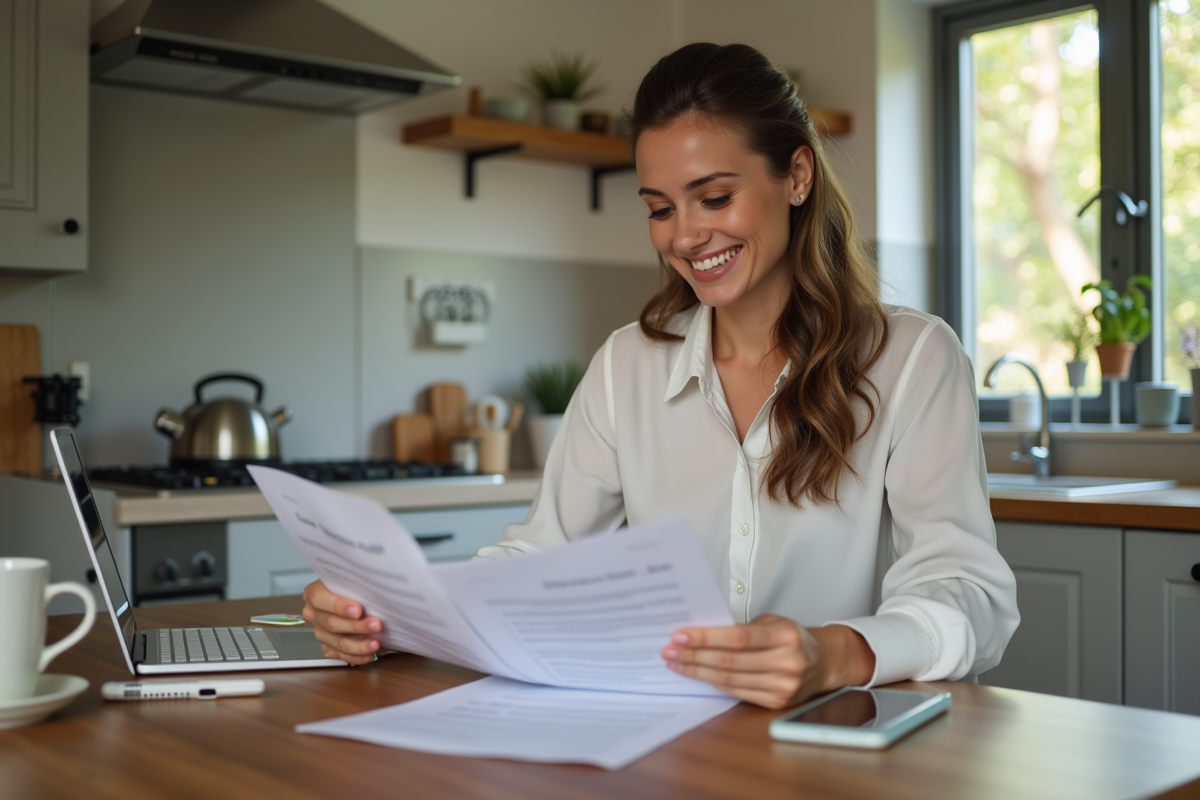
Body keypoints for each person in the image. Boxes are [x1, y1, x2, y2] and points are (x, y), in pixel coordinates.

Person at [302, 42, 1019, 710]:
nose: (683, 236)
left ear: (796, 176)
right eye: (660, 209)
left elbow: (970, 596)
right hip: (667, 743)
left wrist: (832, 654)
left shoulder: (913, 359)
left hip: (846, 740)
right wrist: (384, 612)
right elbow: (538, 557)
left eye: (714, 197)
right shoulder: (626, 365)